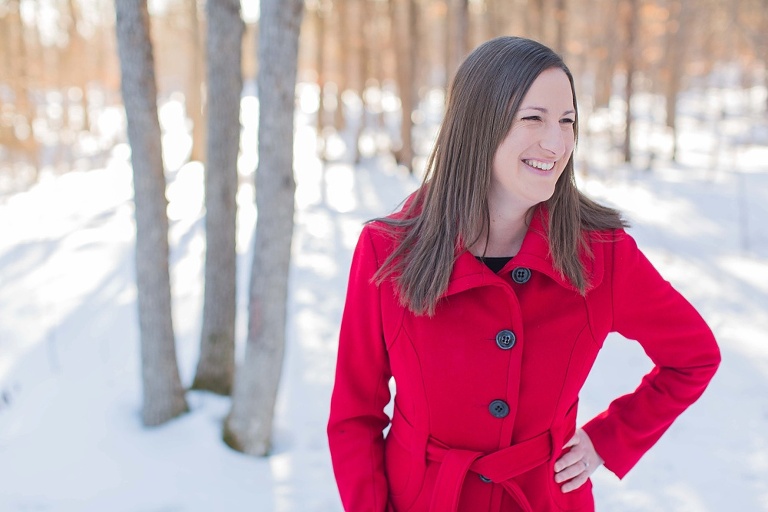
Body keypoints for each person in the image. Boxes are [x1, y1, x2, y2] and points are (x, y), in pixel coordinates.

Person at [327, 36, 720, 512]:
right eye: (533, 118)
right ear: (479, 125)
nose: (556, 143)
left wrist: (609, 439)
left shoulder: (600, 254)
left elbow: (694, 356)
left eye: (567, 121)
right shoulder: (388, 250)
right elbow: (354, 416)